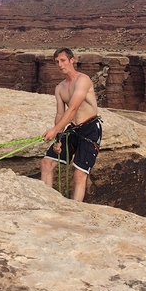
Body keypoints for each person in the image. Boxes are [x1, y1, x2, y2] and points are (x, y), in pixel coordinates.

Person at [41, 47, 102, 202]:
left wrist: (54, 130)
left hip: (90, 128)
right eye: (57, 62)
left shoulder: (83, 80)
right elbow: (60, 113)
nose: (60, 65)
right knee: (46, 163)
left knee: (79, 174)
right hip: (73, 130)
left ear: (71, 60)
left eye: (63, 60)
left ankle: (76, 211)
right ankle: (46, 203)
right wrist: (58, 138)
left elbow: (73, 108)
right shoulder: (60, 88)